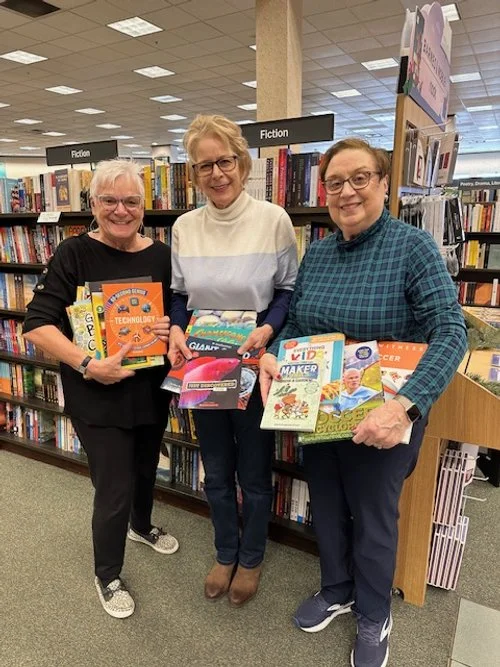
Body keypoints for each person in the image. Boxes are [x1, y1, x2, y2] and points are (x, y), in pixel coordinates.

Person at [259, 138, 467, 667]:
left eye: (360, 179)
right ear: (323, 190)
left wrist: (405, 406)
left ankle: (375, 613)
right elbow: (302, 325)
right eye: (335, 182)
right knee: (327, 503)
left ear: (382, 183)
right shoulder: (321, 252)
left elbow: (450, 332)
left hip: (388, 413)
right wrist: (276, 357)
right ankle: (337, 588)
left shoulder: (413, 246)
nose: (347, 192)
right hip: (323, 407)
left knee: (374, 518)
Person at [23, 159, 179, 619]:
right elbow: (36, 325)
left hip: (151, 388)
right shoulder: (74, 253)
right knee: (113, 485)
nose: (121, 210)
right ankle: (107, 575)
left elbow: (176, 315)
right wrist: (89, 364)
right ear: (93, 204)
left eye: (131, 201)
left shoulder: (162, 256)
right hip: (97, 394)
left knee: (147, 467)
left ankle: (142, 525)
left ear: (144, 206)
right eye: (109, 200)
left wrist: (172, 329)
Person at [168, 114, 297, 606]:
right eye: (205, 165)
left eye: (225, 161)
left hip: (254, 360)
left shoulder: (274, 218)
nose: (217, 173)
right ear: (194, 174)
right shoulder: (183, 227)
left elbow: (287, 290)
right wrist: (177, 326)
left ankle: (252, 557)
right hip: (203, 363)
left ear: (242, 164)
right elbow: (179, 295)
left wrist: (267, 328)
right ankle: (225, 552)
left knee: (255, 472)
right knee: (217, 470)